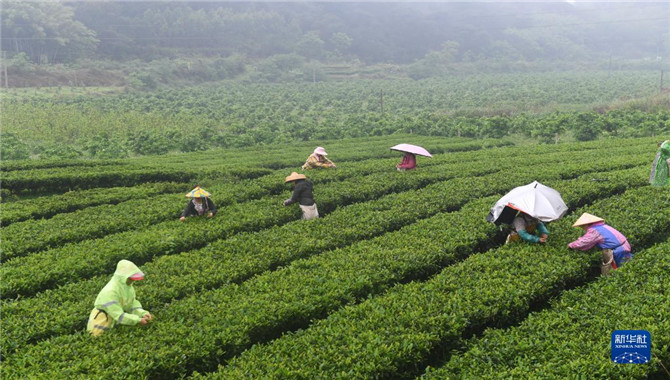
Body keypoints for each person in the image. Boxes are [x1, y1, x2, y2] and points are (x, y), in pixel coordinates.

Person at [87, 260, 153, 337]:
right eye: (130, 278)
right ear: (123, 277)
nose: (132, 280)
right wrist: (138, 320)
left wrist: (143, 313)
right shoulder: (111, 291)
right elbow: (119, 315)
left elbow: (131, 304)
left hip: (113, 322)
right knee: (99, 339)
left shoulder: (127, 287)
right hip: (101, 322)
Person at [568, 212, 632, 275]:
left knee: (623, 271)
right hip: (624, 246)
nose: (583, 228)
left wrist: (571, 245)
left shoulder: (594, 230)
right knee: (629, 266)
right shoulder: (602, 226)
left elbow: (584, 242)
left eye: (582, 227)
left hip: (619, 251)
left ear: (586, 224)